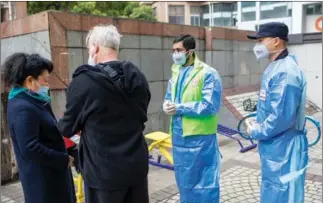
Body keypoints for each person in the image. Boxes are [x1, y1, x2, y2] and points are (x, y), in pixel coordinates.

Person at [57, 24, 151, 203]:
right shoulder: (138, 76)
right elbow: (141, 114)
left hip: (103, 173)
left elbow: (67, 127)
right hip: (136, 167)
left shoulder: (83, 81)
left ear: (95, 47)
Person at [246, 22, 308, 203]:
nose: (257, 46)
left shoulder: (286, 72)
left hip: (285, 149)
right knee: (273, 192)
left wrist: (256, 130)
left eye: (261, 40)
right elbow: (272, 107)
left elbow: (281, 118)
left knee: (283, 194)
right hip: (275, 147)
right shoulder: (275, 67)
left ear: (276, 41)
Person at [3, 53, 76, 203]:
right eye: (45, 80)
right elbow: (30, 147)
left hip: (53, 176)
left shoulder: (34, 100)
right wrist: (62, 159)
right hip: (43, 182)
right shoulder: (22, 107)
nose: (48, 86)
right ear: (30, 80)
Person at [163, 34, 222, 202]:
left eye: (179, 50)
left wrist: (179, 108)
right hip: (179, 137)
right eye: (173, 50)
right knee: (184, 182)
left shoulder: (208, 73)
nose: (175, 54)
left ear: (190, 51)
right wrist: (166, 105)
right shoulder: (176, 71)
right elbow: (169, 96)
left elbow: (210, 105)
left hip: (200, 139)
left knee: (204, 183)